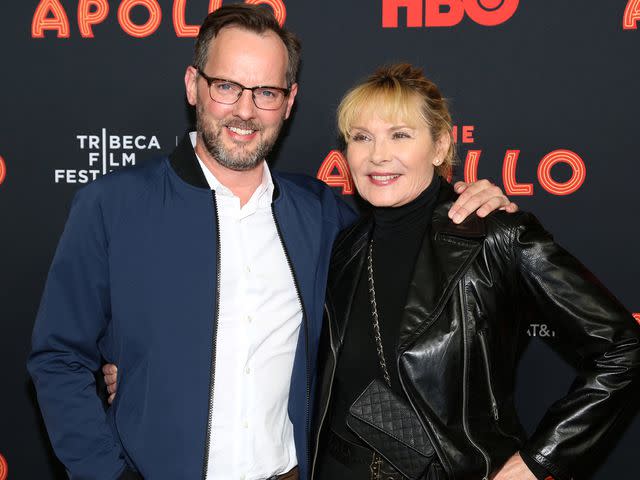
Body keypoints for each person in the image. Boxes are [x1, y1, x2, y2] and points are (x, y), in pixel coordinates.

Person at [28, 6, 515, 480]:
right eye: (226, 86)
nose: (245, 109)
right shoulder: (112, 205)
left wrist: (464, 198)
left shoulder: (322, 214)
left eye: (265, 91)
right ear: (193, 85)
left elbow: (404, 234)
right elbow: (59, 358)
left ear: (289, 99)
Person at [307, 63, 640, 480]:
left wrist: (538, 461)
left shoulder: (496, 235)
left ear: (441, 146)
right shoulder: (342, 244)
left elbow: (624, 347)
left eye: (401, 134)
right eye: (361, 137)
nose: (378, 155)